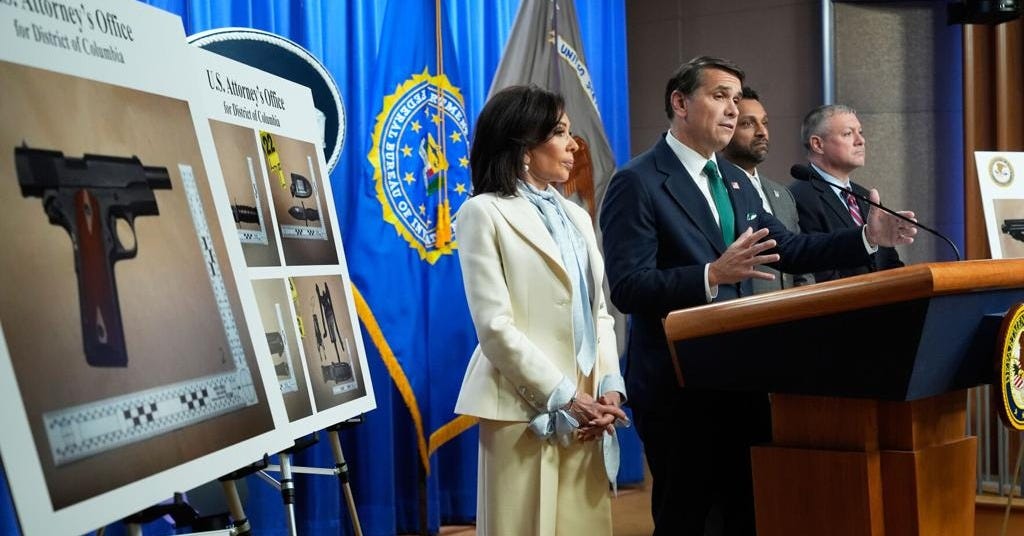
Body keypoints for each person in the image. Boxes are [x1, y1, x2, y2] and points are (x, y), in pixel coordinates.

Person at [599, 56, 916, 535]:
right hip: (678, 386)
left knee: (747, 516)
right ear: (680, 103)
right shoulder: (638, 181)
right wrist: (710, 274)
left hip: (740, 379)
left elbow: (788, 248)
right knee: (688, 520)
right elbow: (628, 287)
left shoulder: (733, 180)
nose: (732, 109)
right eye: (719, 96)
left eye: (735, 98)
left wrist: (867, 238)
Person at [455, 85, 628, 535]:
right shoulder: (482, 213)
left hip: (589, 407)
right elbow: (494, 327)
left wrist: (608, 388)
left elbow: (599, 312)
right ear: (524, 146)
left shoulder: (576, 216)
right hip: (523, 407)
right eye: (560, 132)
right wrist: (565, 396)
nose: (575, 145)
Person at [789, 104, 904, 283]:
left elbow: (889, 263)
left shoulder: (865, 197)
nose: (861, 141)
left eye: (861, 132)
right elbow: (816, 269)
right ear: (818, 144)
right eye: (848, 134)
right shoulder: (798, 197)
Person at [720, 86, 814, 293]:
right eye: (748, 123)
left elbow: (799, 260)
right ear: (725, 130)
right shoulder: (716, 190)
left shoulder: (782, 194)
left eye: (764, 122)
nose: (762, 132)